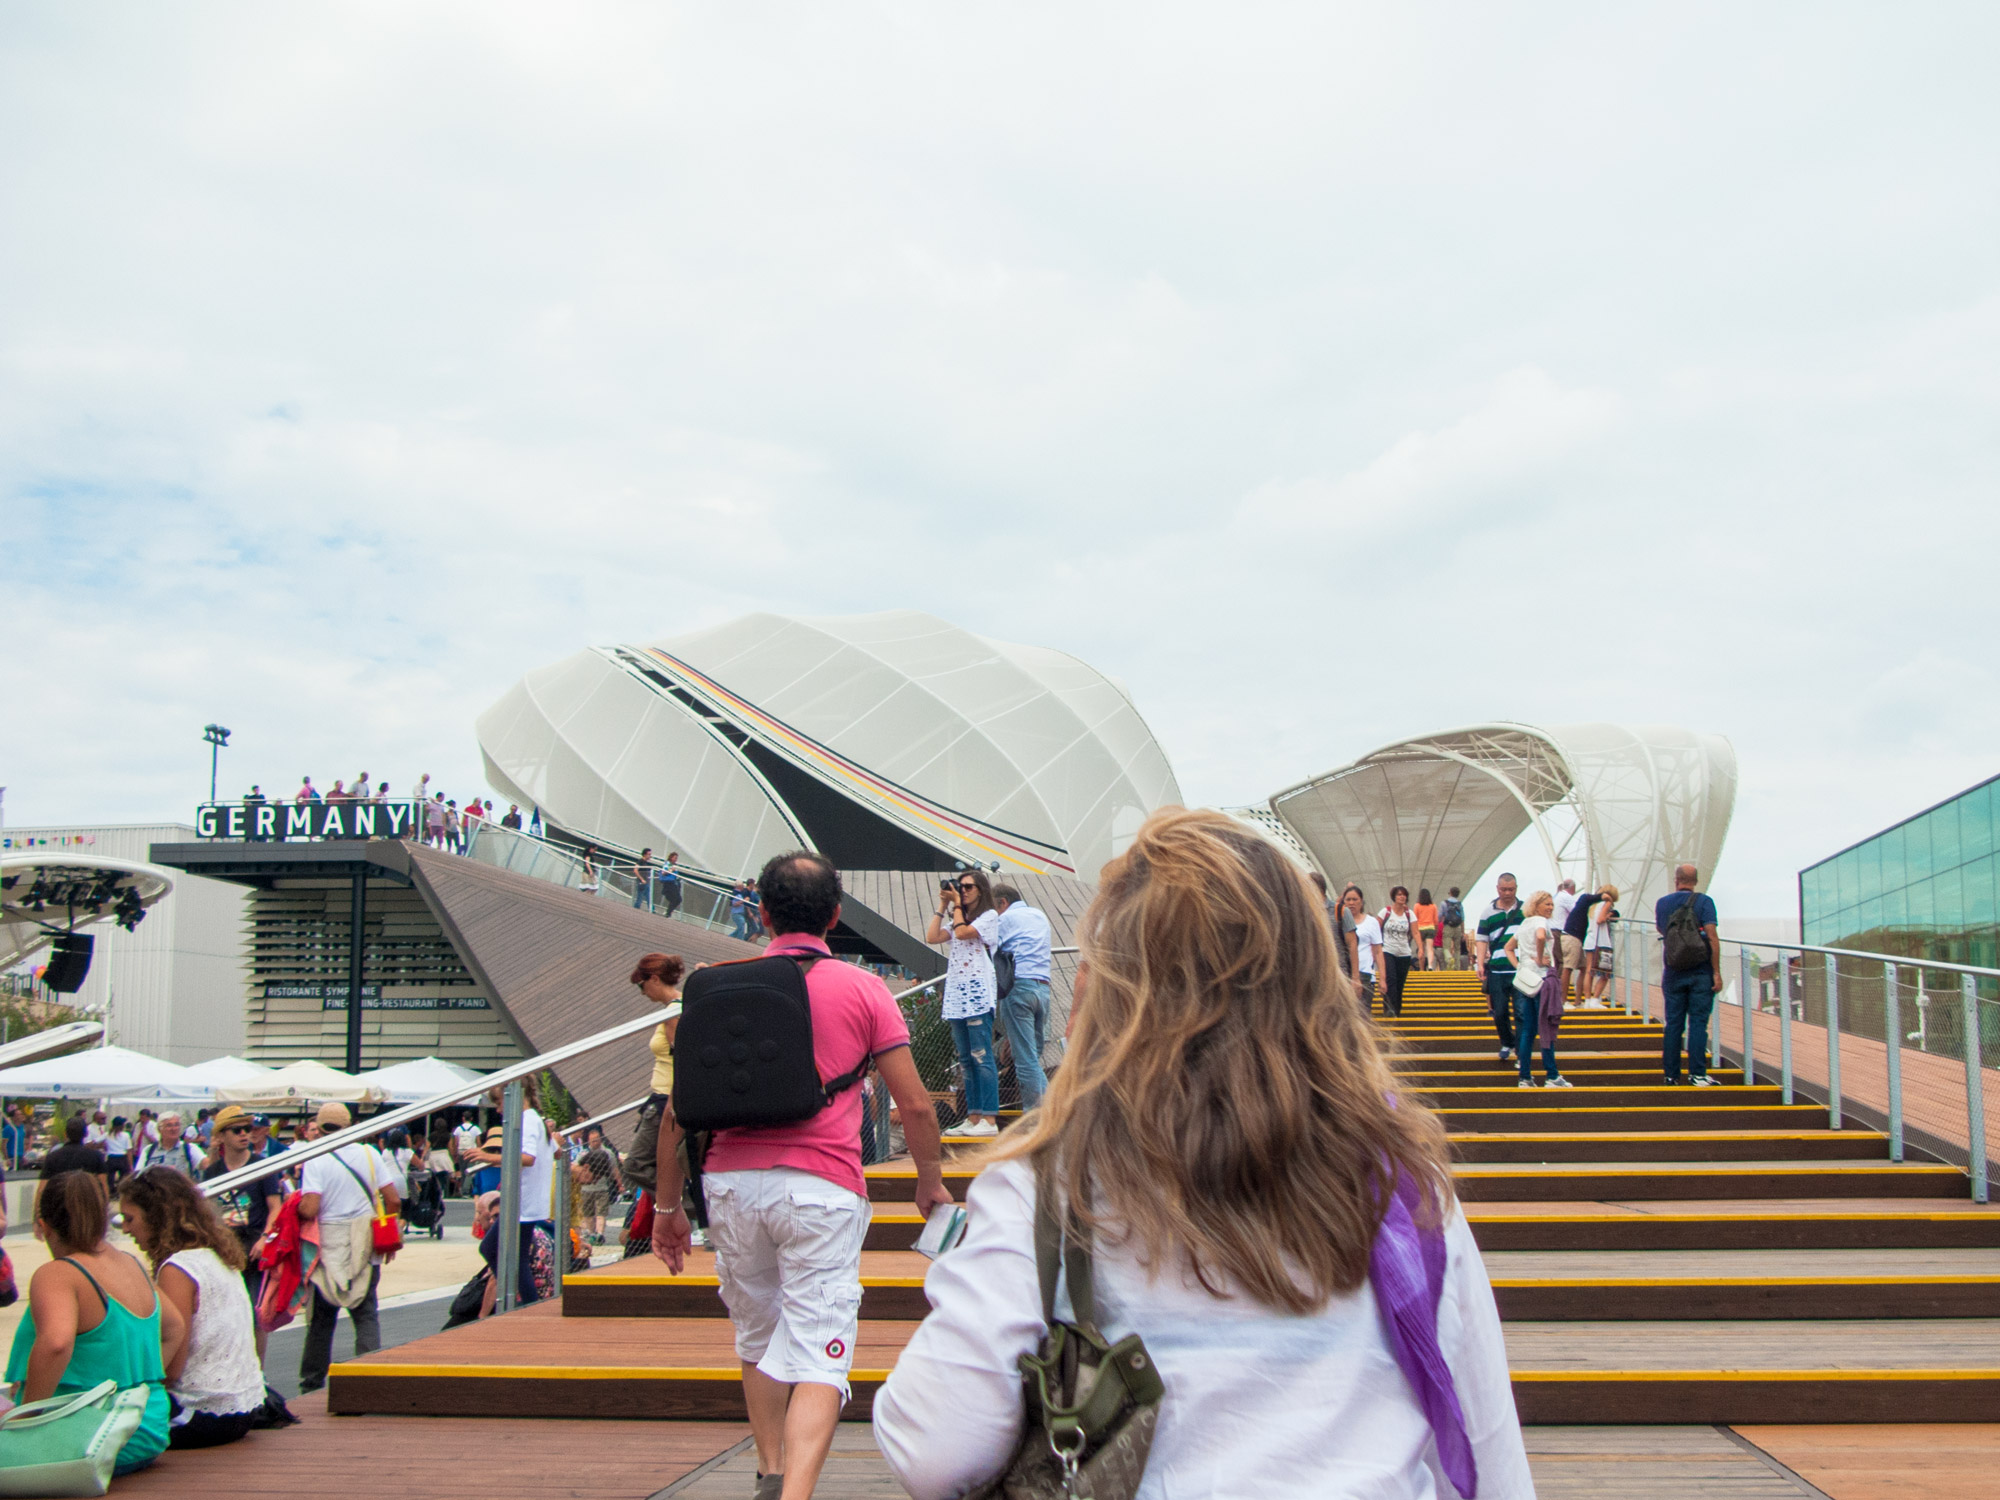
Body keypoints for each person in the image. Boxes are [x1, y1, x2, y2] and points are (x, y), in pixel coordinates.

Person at [873, 808, 1533, 1500]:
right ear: (1313, 973)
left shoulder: (1047, 1182)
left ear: (1116, 984)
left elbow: (935, 1449)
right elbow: (1488, 1442)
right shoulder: (1396, 1181)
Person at [653, 850, 950, 1500]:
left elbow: (677, 1116)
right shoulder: (864, 988)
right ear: (836, 916)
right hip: (821, 1188)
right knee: (820, 1349)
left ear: (760, 912)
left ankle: (768, 1470)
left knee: (758, 1336)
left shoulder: (717, 985)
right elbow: (916, 1104)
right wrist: (929, 1180)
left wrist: (667, 1210)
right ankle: (796, 1496)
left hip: (730, 1185)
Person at [6, 1172, 178, 1476]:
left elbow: (56, 1344)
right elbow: (174, 1328)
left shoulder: (59, 1273)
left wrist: (26, 1422)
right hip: (147, 1427)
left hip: (90, 1436)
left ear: (44, 1227)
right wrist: (133, 1387)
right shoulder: (130, 1264)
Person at [117, 1168, 269, 1449]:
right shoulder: (217, 1256)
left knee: (105, 1416)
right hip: (243, 1408)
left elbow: (172, 1369)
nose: (125, 1229)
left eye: (130, 1219)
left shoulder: (178, 1269)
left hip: (201, 1414)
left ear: (156, 1217)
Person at [295, 1102, 401, 1393]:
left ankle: (312, 1382)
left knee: (322, 1319)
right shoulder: (370, 1154)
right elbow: (393, 1200)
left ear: (320, 1126)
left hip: (329, 1243)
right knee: (366, 1312)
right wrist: (391, 1230)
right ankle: (368, 1377)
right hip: (365, 1239)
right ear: (350, 1124)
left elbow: (311, 1206)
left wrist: (298, 1206)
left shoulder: (316, 1158)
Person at [199, 1105, 284, 1349]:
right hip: (226, 1250)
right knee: (225, 1314)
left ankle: (258, 1373)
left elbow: (275, 1208)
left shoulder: (261, 1165)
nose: (244, 1134)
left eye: (248, 1129)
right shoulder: (213, 1172)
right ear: (222, 1136)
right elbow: (209, 1212)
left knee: (256, 1314)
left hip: (255, 1250)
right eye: (237, 1130)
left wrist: (264, 1239)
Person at [926, 868, 1001, 1137]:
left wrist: (956, 904)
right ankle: (973, 1116)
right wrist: (943, 905)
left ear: (981, 890)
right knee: (965, 1059)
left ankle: (989, 1119)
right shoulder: (958, 917)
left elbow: (963, 934)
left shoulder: (989, 917)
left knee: (982, 1056)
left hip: (978, 994)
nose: (964, 891)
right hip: (957, 995)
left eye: (969, 887)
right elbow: (932, 937)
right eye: (961, 886)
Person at [622, 953, 686, 1216]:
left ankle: (687, 1208)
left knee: (635, 1163)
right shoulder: (680, 1005)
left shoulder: (673, 1012)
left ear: (655, 979)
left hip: (665, 1098)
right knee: (670, 1161)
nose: (642, 992)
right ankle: (690, 1207)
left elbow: (680, 1055)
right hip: (665, 1097)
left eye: (642, 985)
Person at [1656, 864, 1722, 1087]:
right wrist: (1716, 972)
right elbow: (1712, 937)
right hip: (1701, 972)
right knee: (1698, 1024)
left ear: (1676, 880)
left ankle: (1671, 1075)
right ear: (1696, 881)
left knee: (1673, 1024)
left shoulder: (1663, 904)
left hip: (1673, 971)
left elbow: (1662, 930)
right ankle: (1697, 1074)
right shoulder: (1704, 902)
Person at [991, 884, 1055, 1110]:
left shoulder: (1005, 920)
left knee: (1025, 1060)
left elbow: (987, 948)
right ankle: (1051, 1111)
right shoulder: (1039, 915)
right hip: (1043, 989)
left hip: (1018, 989)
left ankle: (1037, 1118)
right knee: (1032, 1056)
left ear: (1003, 903)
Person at [1506, 891, 1568, 1088]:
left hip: (1526, 981)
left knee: (1528, 1031)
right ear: (1537, 905)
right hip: (1542, 980)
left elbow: (1508, 947)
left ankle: (1525, 1077)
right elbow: (1541, 937)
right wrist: (1540, 958)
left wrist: (1520, 966)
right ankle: (1552, 1075)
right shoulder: (1541, 921)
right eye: (1547, 904)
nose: (1550, 908)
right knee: (1547, 1028)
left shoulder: (1524, 924)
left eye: (1551, 905)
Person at [1474, 874, 1525, 1063]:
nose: (1507, 893)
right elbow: (1481, 939)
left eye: (1511, 889)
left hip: (1520, 969)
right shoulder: (1488, 912)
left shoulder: (1525, 910)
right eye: (1504, 889)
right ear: (1497, 889)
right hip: (1496, 969)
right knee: (1500, 1011)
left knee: (1521, 1012)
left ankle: (1521, 1050)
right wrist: (1480, 964)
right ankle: (1507, 1042)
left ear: (1516, 888)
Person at [1561, 884, 1612, 1008]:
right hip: (1572, 936)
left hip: (1580, 940)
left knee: (1584, 969)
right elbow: (1600, 917)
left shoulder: (1591, 907)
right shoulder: (1586, 899)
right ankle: (1563, 1001)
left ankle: (1579, 1001)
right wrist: (1609, 900)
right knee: (1568, 967)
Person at [38, 1114, 110, 1200]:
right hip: (86, 1205)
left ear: (65, 1134)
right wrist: (104, 1209)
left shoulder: (52, 1157)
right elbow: (103, 1186)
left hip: (58, 1205)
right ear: (86, 1134)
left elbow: (42, 1189)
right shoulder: (96, 1156)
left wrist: (38, 1212)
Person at [1378, 886, 1418, 1018]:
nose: (1402, 897)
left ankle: (1397, 1010)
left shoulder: (1409, 914)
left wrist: (1421, 948)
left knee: (1400, 983)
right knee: (1391, 980)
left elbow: (1415, 931)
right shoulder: (1386, 912)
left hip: (1404, 953)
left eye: (1404, 895)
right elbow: (1376, 928)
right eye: (1399, 895)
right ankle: (1389, 1009)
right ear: (1394, 897)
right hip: (1388, 950)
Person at [576, 1129, 621, 1245]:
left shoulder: (608, 1153)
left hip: (602, 1188)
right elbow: (577, 1166)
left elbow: (614, 1169)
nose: (594, 1143)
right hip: (586, 1190)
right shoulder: (583, 1153)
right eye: (592, 1141)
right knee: (588, 1213)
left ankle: (600, 1233)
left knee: (601, 1212)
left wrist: (620, 1185)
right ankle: (591, 1233)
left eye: (596, 1140)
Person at [1344, 886, 1383, 1015]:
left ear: (1361, 902)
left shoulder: (1371, 922)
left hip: (1365, 974)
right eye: (1348, 899)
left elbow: (1378, 951)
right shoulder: (1338, 922)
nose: (1351, 903)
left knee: (1363, 1015)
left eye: (1355, 899)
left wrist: (1382, 978)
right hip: (1344, 973)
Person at [136, 1111, 202, 1176]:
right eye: (169, 1125)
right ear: (160, 1129)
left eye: (177, 1125)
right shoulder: (149, 1150)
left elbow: (207, 1165)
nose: (173, 1129)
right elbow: (137, 1175)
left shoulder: (189, 1148)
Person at [1587, 888, 1620, 1008]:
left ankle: (1587, 1000)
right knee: (1605, 973)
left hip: (1590, 940)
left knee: (1589, 972)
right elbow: (1600, 920)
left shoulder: (1593, 906)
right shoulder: (1606, 904)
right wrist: (1608, 916)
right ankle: (1595, 999)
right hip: (1602, 942)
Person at [1439, 887, 1466, 970]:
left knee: (1446, 947)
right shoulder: (1460, 904)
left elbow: (1440, 915)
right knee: (1457, 949)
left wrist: (1439, 923)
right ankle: (1457, 967)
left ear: (1450, 893)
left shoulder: (1444, 903)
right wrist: (1463, 932)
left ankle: (1449, 961)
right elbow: (1462, 918)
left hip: (1448, 926)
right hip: (1457, 927)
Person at [1414, 888, 1440, 972]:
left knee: (1421, 949)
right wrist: (1435, 930)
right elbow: (1436, 920)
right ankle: (1430, 966)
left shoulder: (1417, 906)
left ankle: (1421, 968)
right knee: (1430, 948)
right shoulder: (1433, 906)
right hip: (1430, 928)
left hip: (1420, 929)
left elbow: (1415, 919)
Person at [103, 1116, 134, 1184]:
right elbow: (129, 1150)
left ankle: (111, 1192)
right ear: (122, 1125)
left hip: (111, 1158)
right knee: (124, 1179)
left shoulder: (107, 1134)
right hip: (122, 1158)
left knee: (110, 1179)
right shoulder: (126, 1135)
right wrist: (130, 1165)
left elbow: (95, 1141)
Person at [658, 851, 684, 917]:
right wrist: (671, 870)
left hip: (673, 883)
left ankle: (668, 912)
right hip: (669, 883)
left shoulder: (673, 866)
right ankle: (668, 913)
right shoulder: (668, 864)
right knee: (676, 898)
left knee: (677, 899)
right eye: (675, 858)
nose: (676, 859)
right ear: (671, 858)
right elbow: (664, 872)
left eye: (676, 858)